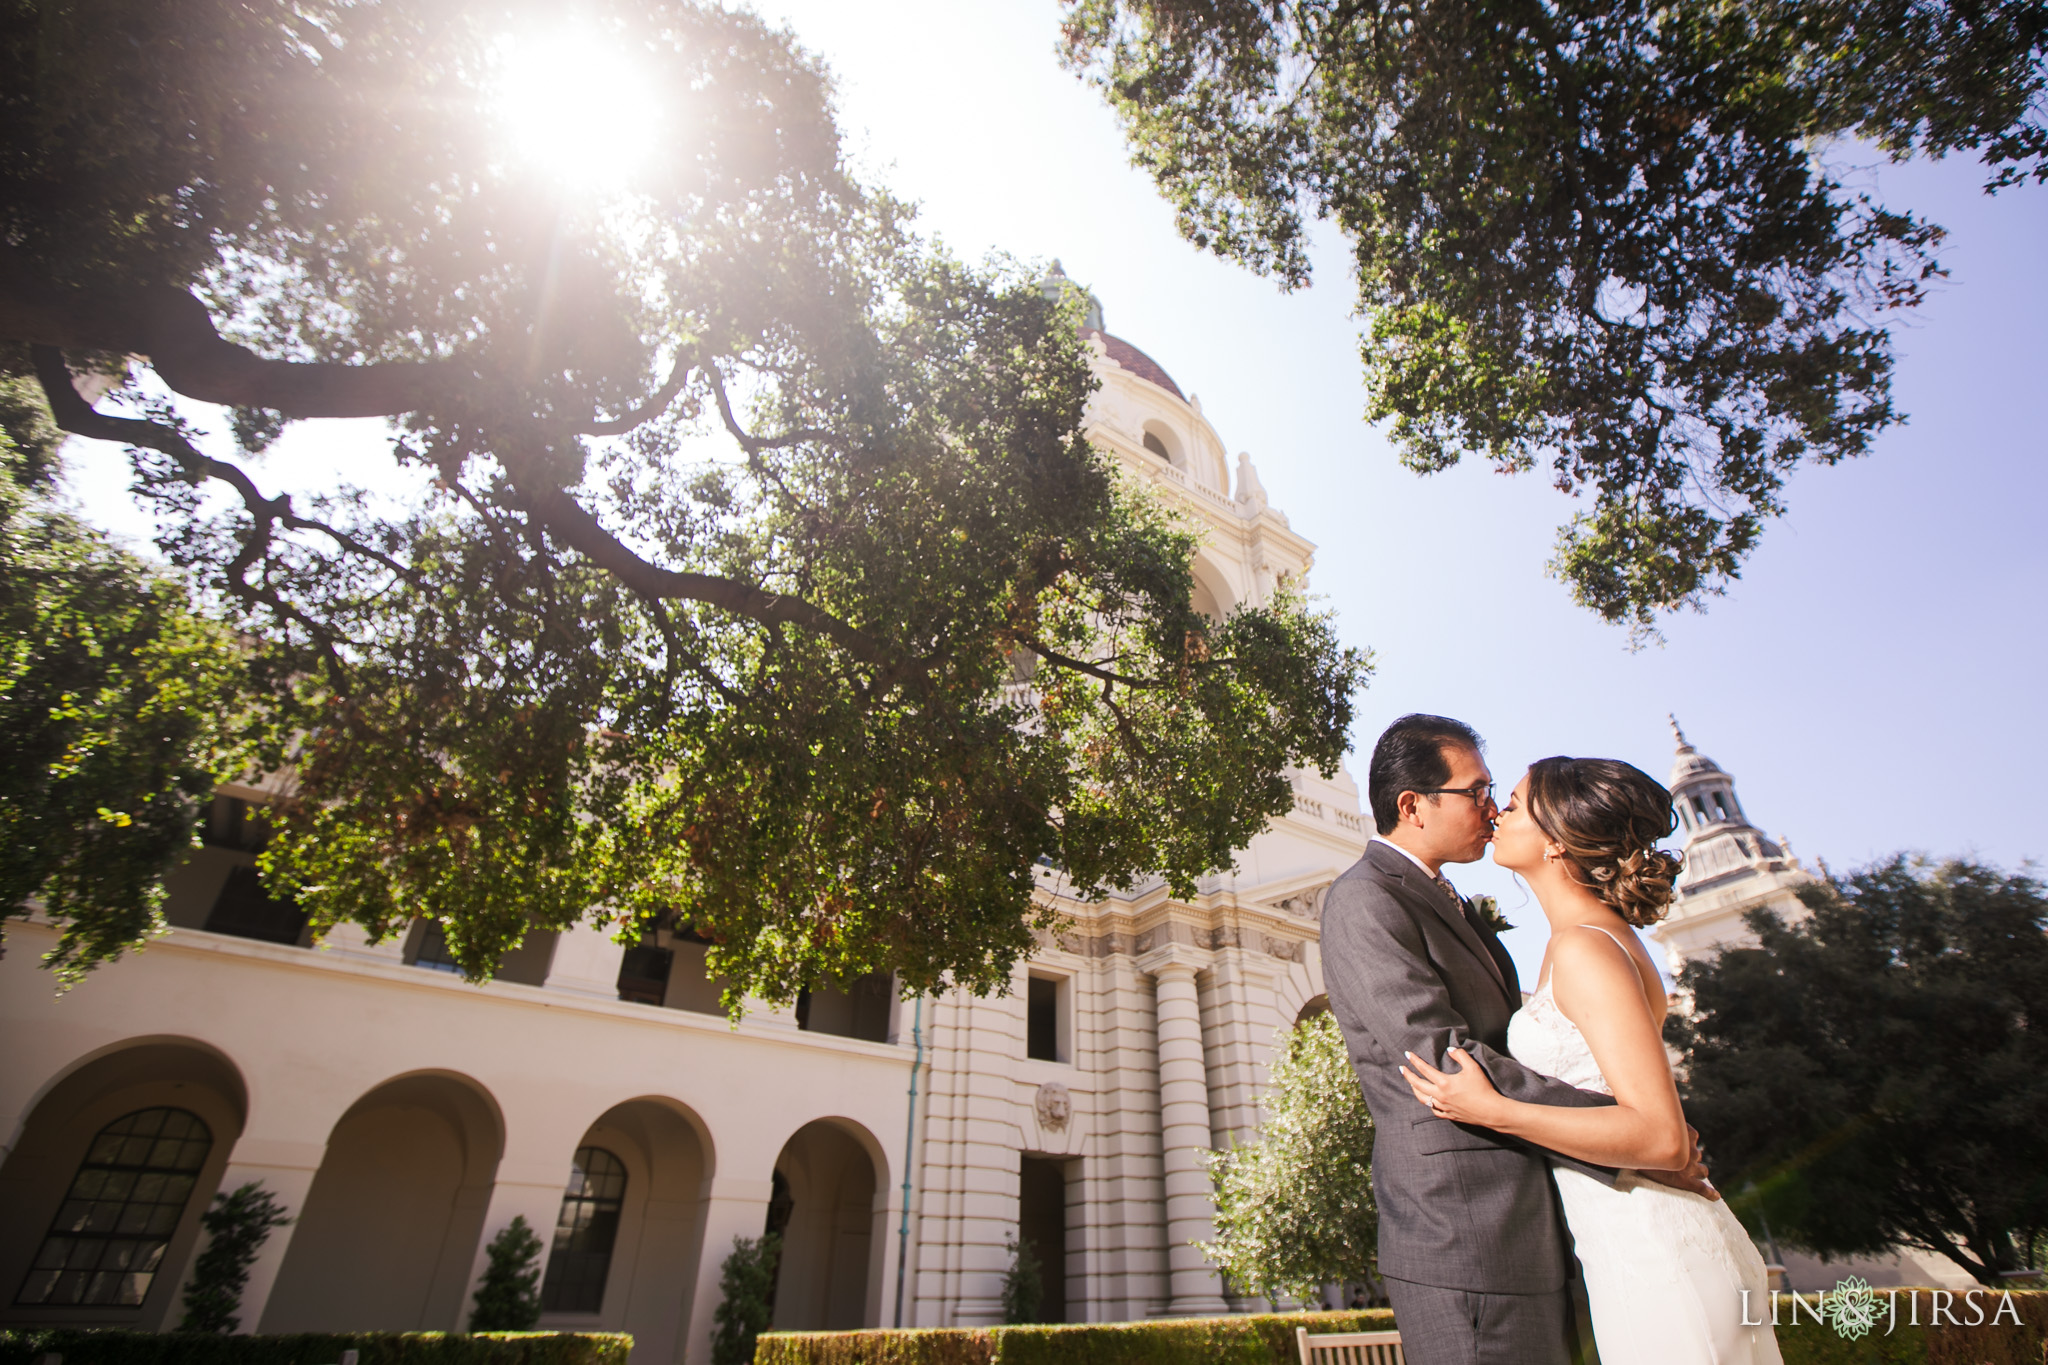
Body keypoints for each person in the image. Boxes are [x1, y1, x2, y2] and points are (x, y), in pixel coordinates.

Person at [1319, 714, 1715, 1365]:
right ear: (1413, 804)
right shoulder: (1364, 899)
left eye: (1498, 791)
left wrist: (1641, 1131)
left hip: (1550, 1230)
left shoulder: (1467, 912)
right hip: (1467, 1239)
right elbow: (1444, 1061)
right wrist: (1636, 1132)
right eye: (1475, 791)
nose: (1491, 807)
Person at [1401, 756, 1782, 1364]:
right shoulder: (1585, 942)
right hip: (1626, 1243)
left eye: (1516, 804)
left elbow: (1661, 1138)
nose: (1495, 810)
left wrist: (1495, 1110)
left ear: (1554, 842)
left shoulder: (1585, 949)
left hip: (1656, 1251)